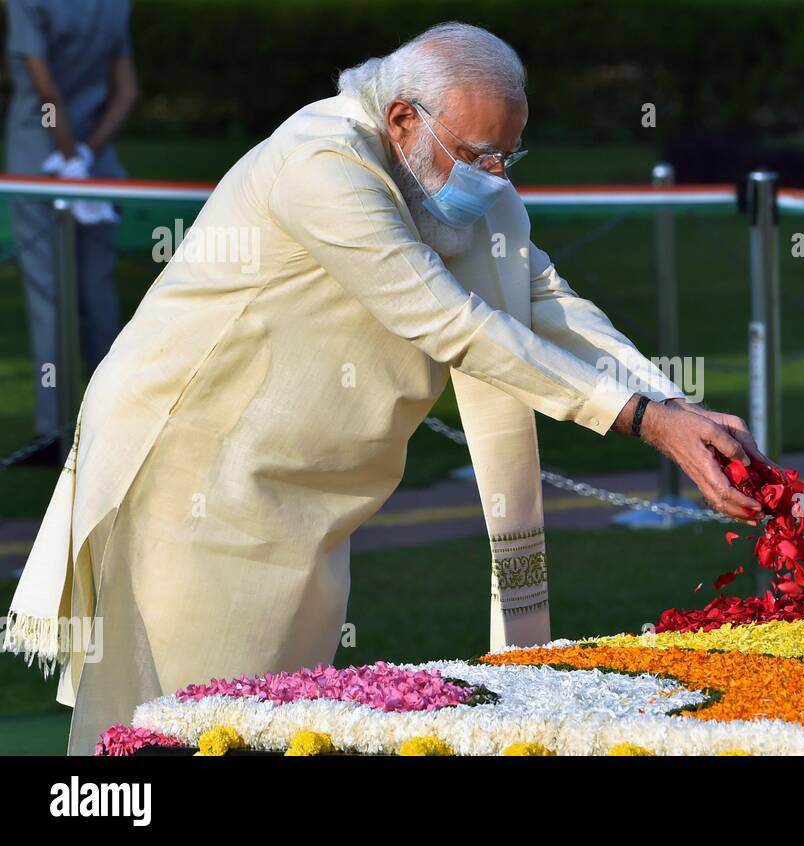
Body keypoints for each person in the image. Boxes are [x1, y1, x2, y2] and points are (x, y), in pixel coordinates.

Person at [2, 22, 765, 755]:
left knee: (284, 720)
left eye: (508, 155)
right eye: (478, 154)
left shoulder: (453, 181)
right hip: (194, 471)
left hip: (310, 495)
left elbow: (547, 304)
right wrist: (638, 421)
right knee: (186, 726)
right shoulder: (322, 162)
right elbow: (445, 319)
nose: (497, 177)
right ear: (402, 119)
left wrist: (672, 405)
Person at [3, 0, 139, 465]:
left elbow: (45, 92)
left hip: (41, 163)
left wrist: (67, 158)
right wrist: (87, 154)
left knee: (49, 299)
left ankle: (53, 433)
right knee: (98, 296)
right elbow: (127, 93)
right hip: (96, 164)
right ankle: (114, 425)